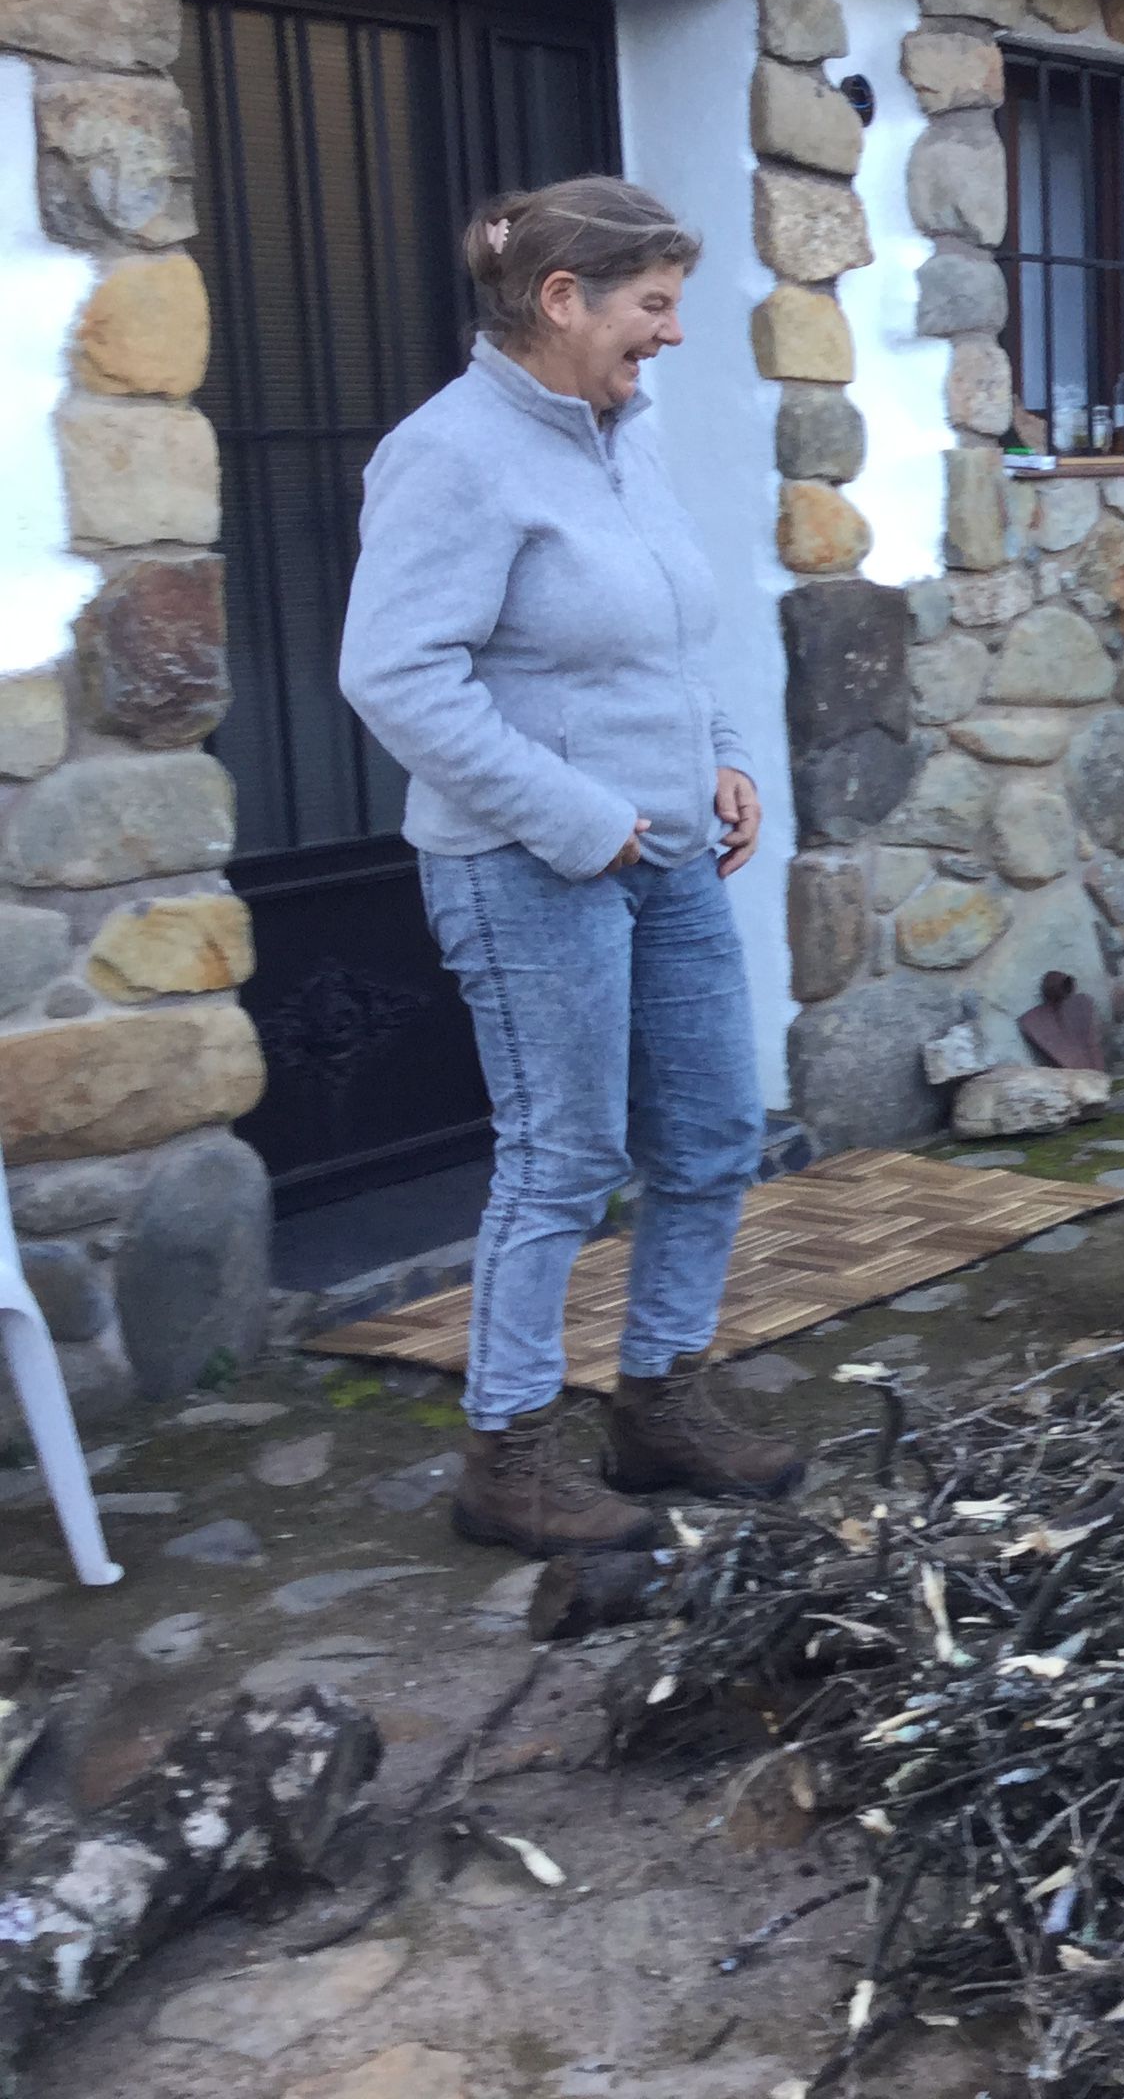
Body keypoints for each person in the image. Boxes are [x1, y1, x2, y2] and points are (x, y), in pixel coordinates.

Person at [340, 176, 798, 1561]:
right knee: (563, 1162)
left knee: (715, 1130)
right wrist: (572, 814)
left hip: (662, 851)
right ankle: (511, 1457)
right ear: (562, 299)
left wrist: (715, 748)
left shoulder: (622, 434)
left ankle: (658, 1403)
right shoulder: (452, 453)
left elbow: (662, 631)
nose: (668, 335)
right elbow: (394, 675)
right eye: (651, 306)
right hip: (530, 865)